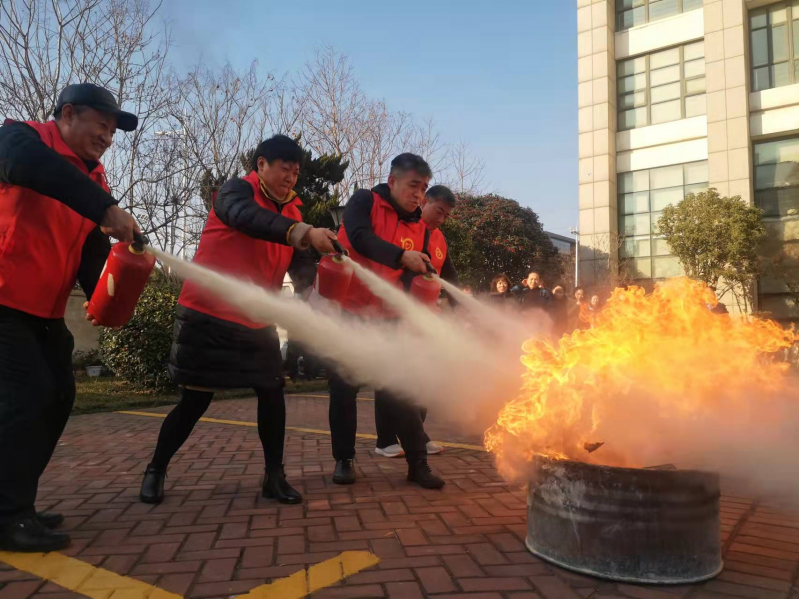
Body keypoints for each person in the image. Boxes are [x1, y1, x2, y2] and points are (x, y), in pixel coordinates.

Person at [138, 135, 337, 506]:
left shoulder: (293, 213)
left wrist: (317, 291)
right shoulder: (235, 193)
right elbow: (246, 219)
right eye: (284, 169)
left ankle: (273, 477)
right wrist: (302, 232)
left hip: (256, 317)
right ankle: (156, 469)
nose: (291, 178)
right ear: (261, 165)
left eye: (296, 172)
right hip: (207, 313)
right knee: (195, 401)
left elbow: (298, 264)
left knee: (272, 393)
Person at [0, 83, 141, 552]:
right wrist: (106, 209)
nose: (107, 136)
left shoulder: (94, 181)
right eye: (101, 124)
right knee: (28, 396)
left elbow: (91, 252)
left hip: (43, 310)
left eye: (113, 130)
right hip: (3, 302)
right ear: (66, 114)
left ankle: (17, 499)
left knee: (59, 396)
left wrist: (113, 288)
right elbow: (34, 171)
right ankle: (7, 514)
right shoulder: (22, 138)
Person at [321, 153, 445, 489]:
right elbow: (360, 237)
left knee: (402, 389)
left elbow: (408, 277)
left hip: (388, 319)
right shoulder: (365, 201)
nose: (418, 194)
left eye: (423, 188)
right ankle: (344, 460)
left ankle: (418, 465)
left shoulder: (420, 228)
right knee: (344, 390)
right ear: (392, 182)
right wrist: (401, 256)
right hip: (348, 313)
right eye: (412, 186)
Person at [374, 185, 458, 459]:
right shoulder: (401, 228)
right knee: (391, 378)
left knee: (422, 376)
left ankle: (417, 434)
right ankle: (385, 439)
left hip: (424, 318)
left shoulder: (440, 239)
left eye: (446, 215)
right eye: (438, 211)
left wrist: (462, 309)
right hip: (393, 315)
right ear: (425, 201)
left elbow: (450, 277)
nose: (441, 219)